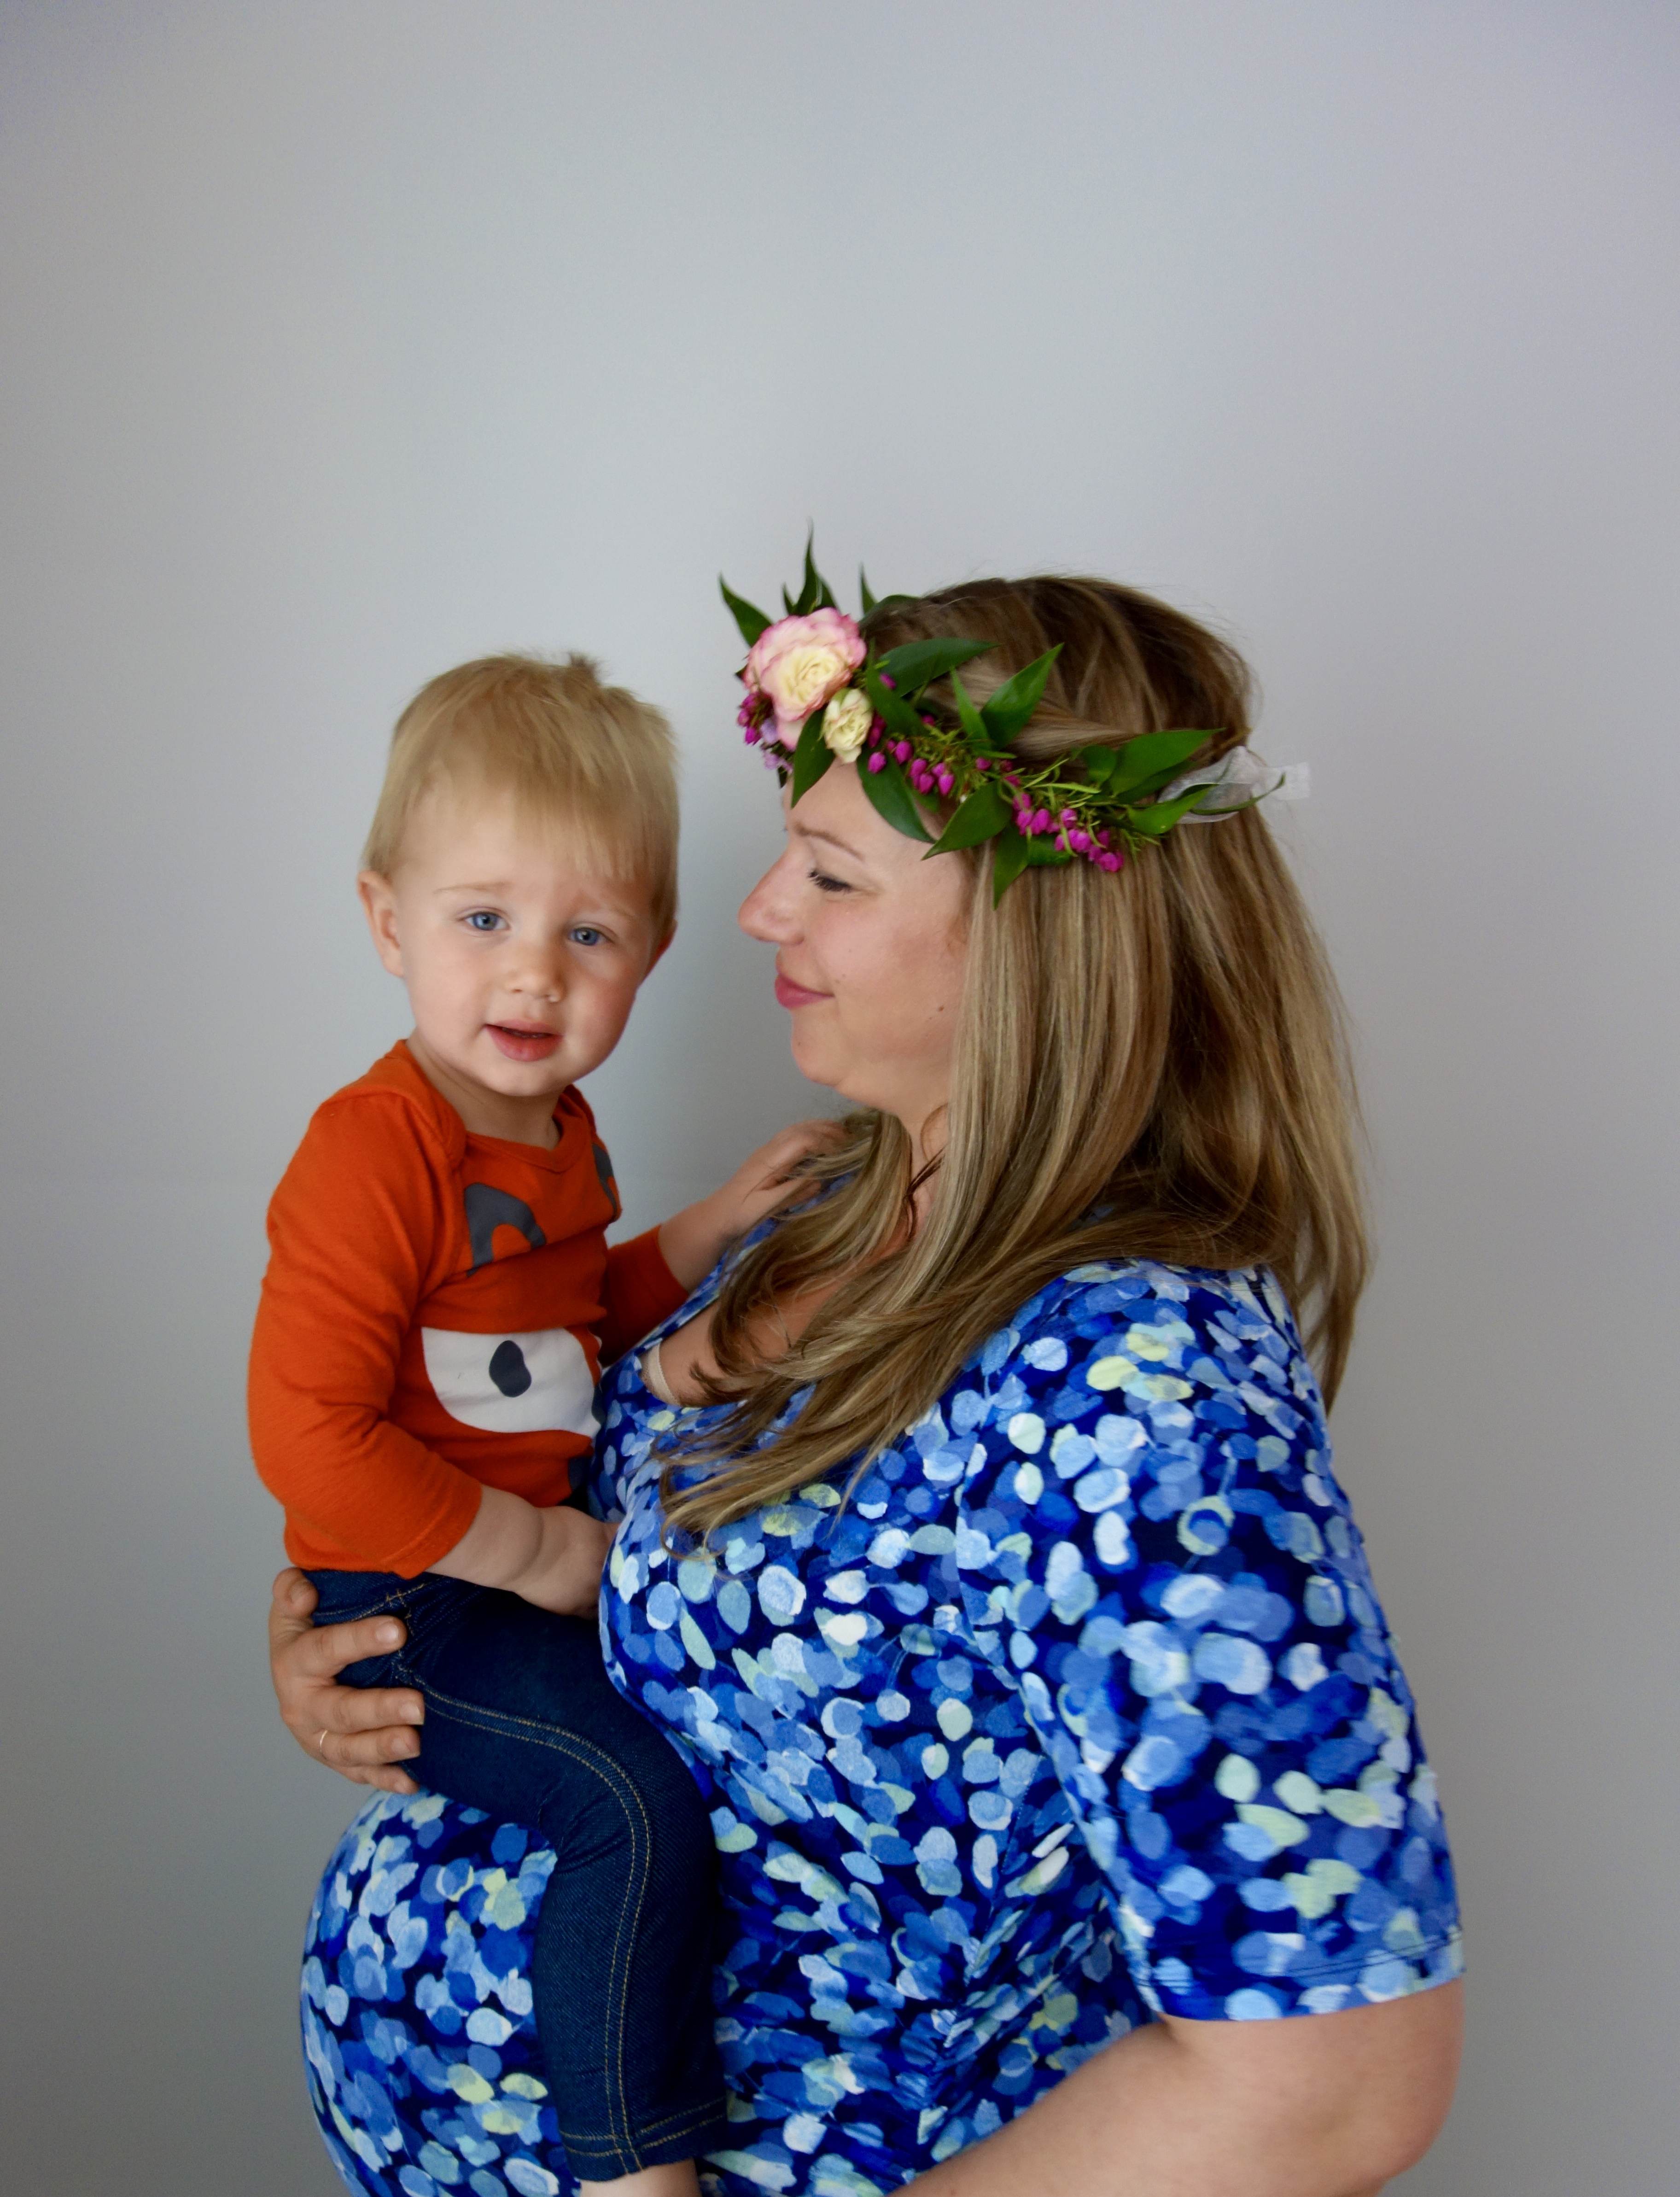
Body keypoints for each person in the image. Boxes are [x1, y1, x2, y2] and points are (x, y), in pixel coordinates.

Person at [269, 569, 1464, 2197]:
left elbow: (1333, 2081)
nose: (760, 911)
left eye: (830, 873)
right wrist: (364, 1638)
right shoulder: (834, 1198)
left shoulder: (1137, 1383)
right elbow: (548, 1465)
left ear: (1036, 934)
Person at [249, 651, 832, 2194]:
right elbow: (307, 1435)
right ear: (388, 920)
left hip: (492, 1573)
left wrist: (704, 1229)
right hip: (418, 1595)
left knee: (661, 1779)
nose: (534, 977)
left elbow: (555, 1338)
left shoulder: (559, 1130)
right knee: (629, 1805)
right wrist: (530, 1549)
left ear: (650, 952)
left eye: (588, 934)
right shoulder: (377, 1149)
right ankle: (631, 2167)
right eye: (483, 920)